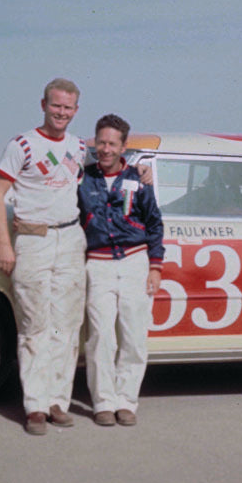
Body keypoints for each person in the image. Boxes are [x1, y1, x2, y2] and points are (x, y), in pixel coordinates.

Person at [0, 78, 87, 435]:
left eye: (68, 108)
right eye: (56, 105)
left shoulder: (79, 147)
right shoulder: (23, 145)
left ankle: (57, 401)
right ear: (43, 104)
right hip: (32, 239)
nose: (61, 113)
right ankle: (34, 406)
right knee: (35, 325)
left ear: (76, 111)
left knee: (67, 325)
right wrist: (4, 243)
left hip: (70, 237)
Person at [78, 114, 164, 427]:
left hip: (134, 263)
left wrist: (155, 267)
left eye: (113, 143)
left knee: (134, 336)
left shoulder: (139, 179)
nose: (105, 149)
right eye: (101, 142)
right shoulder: (82, 178)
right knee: (100, 336)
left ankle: (126, 401)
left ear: (124, 146)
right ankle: (103, 402)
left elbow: (154, 223)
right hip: (98, 264)